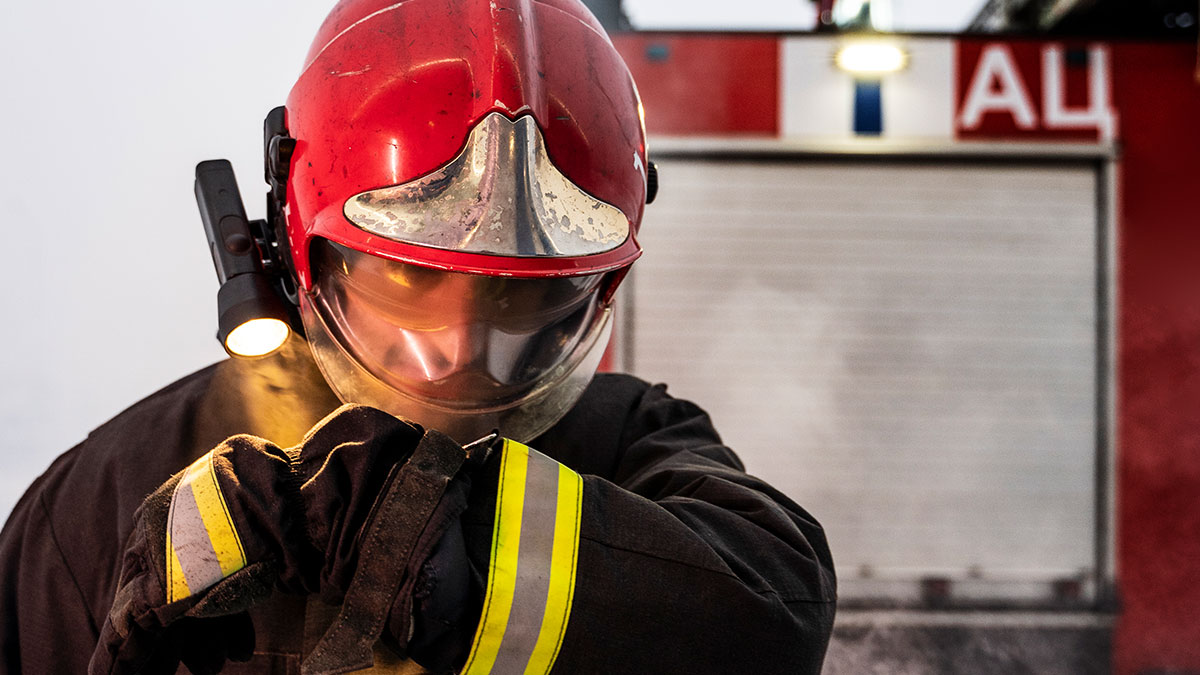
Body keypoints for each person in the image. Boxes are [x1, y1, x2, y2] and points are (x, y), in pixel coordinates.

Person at [0, 0, 836, 673]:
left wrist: (412, 531)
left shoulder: (627, 436)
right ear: (299, 250)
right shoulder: (103, 497)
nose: (458, 352)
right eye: (409, 280)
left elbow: (775, 610)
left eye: (517, 299)